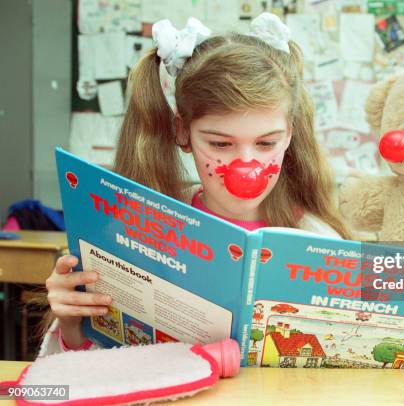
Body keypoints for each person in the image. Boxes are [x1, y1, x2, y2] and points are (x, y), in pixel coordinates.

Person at [39, 13, 350, 356]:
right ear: (182, 132)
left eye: (266, 144)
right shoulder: (137, 233)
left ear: (289, 134)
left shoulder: (320, 241)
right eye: (220, 144)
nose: (247, 168)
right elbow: (97, 368)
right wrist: (73, 323)